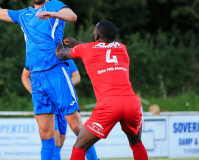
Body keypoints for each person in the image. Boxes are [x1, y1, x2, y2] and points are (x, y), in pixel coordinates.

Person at [0, 0, 98, 160]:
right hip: (36, 77)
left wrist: (52, 14)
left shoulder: (54, 5)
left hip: (56, 72)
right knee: (45, 133)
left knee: (77, 126)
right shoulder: (23, 14)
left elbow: (72, 16)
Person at [56, 20, 149, 160]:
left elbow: (62, 54)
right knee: (136, 143)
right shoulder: (122, 48)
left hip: (110, 104)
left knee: (80, 146)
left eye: (94, 30)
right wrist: (77, 43)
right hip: (131, 102)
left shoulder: (87, 49)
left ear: (97, 35)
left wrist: (56, 44)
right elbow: (99, 48)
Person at [21, 59, 81, 159]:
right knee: (55, 138)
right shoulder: (34, 55)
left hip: (62, 101)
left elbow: (77, 76)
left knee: (61, 140)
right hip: (47, 103)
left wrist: (60, 87)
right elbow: (25, 76)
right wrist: (34, 92)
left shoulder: (64, 56)